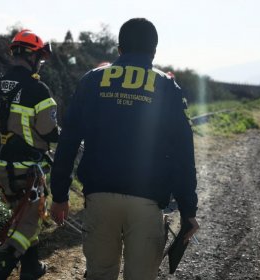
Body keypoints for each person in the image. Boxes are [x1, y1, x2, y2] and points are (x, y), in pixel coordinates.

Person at [50, 18, 199, 280]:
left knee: (99, 274)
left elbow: (68, 140)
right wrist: (188, 210)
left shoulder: (92, 80)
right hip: (147, 200)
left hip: (99, 198)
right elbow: (183, 153)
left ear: (119, 49)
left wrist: (60, 194)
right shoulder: (167, 85)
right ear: (154, 51)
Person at [0, 29, 59, 280]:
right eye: (40, 59)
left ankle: (31, 268)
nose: (41, 64)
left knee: (22, 218)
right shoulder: (38, 89)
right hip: (28, 170)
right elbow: (49, 132)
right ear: (33, 57)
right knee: (28, 223)